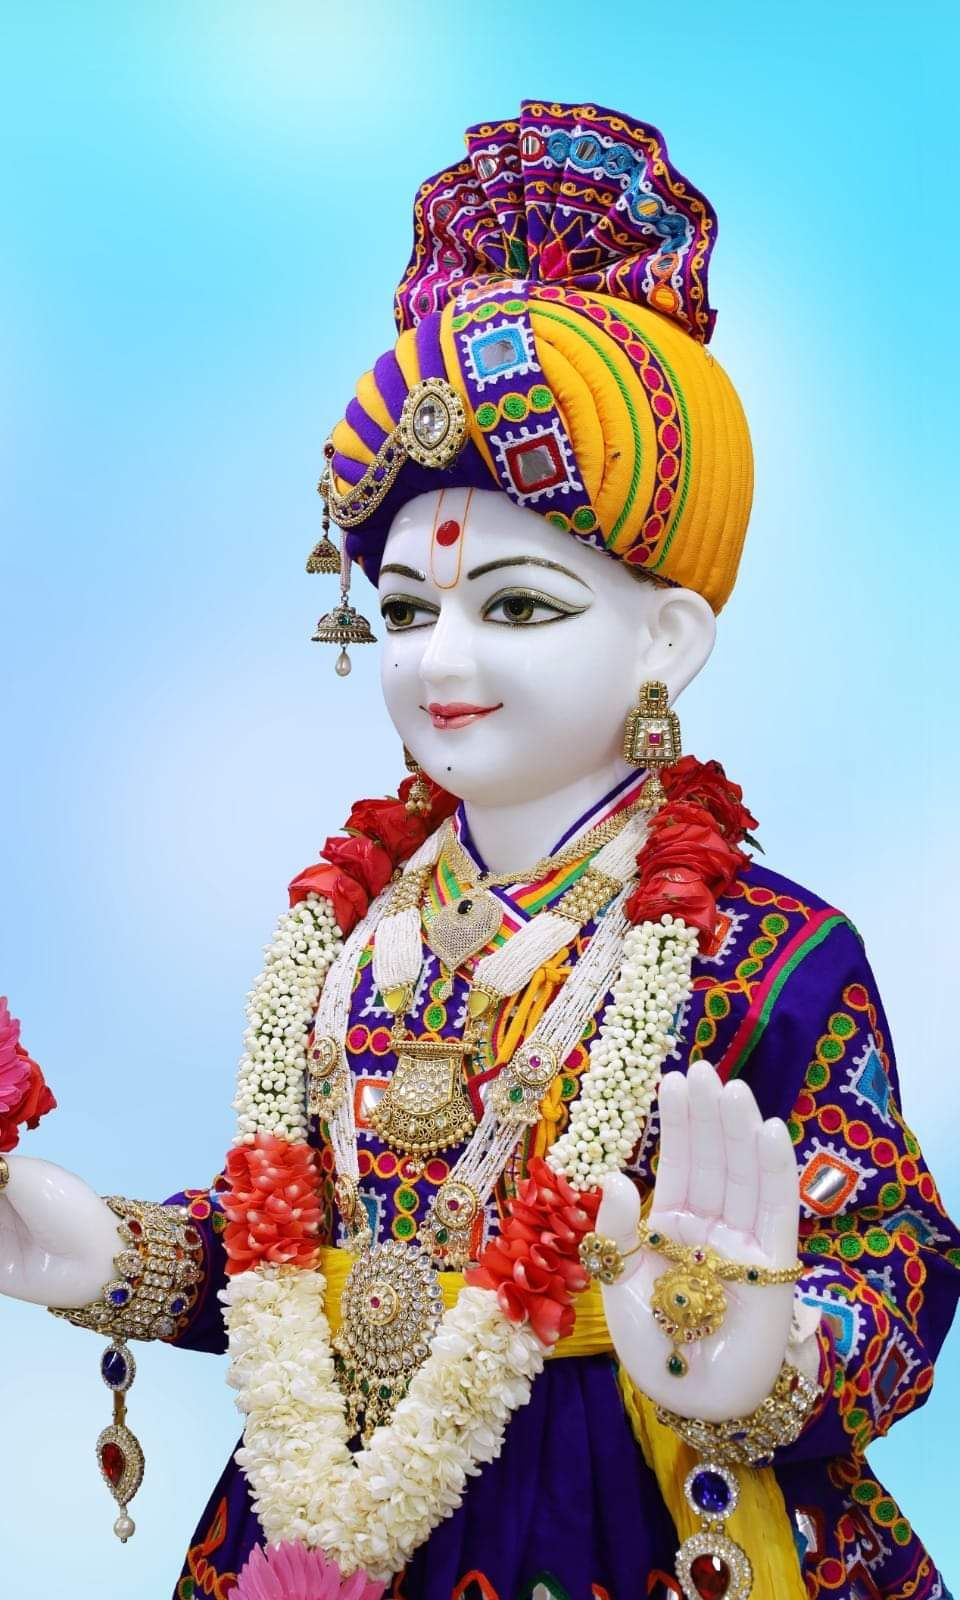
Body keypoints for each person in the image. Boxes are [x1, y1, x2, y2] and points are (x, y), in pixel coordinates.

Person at [1, 99, 956, 1600]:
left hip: (631, 1508)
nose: (443, 658)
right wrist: (103, 1251)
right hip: (324, 1510)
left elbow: (896, 1252)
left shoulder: (767, 951)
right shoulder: (351, 929)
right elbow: (290, 1239)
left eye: (517, 606)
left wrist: (766, 1343)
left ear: (671, 636)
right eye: (401, 612)